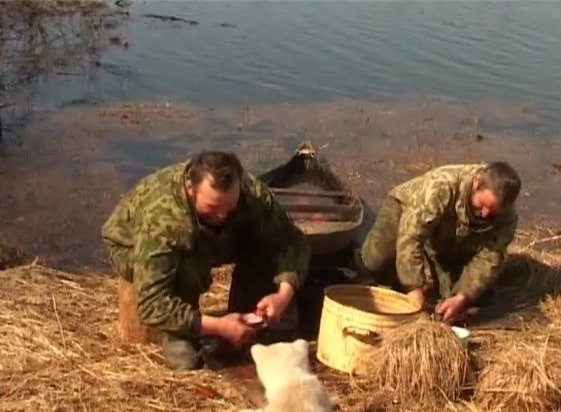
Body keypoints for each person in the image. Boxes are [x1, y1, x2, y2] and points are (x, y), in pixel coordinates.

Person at [101, 150, 310, 370]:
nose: (221, 215)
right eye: (212, 207)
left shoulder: (251, 193)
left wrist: (283, 294)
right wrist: (218, 326)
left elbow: (292, 241)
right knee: (188, 271)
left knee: (264, 241)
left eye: (229, 207)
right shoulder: (164, 219)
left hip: (208, 237)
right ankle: (182, 332)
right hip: (131, 247)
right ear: (191, 190)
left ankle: (247, 317)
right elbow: (152, 303)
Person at [359, 161, 521, 323]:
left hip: (451, 234)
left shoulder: (507, 217)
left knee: (453, 299)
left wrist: (462, 297)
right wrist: (413, 288)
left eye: (493, 212)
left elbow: (489, 258)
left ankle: (434, 266)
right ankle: (372, 265)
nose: (485, 214)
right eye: (482, 205)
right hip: (406, 210)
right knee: (373, 262)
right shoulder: (441, 187)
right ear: (476, 183)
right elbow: (411, 236)